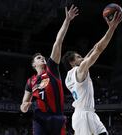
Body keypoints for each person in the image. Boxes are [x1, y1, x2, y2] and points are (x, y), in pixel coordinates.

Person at [20, 5, 79, 135]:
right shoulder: (30, 81)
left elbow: (58, 42)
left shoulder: (51, 68)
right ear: (34, 64)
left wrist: (67, 20)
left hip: (57, 117)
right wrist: (24, 107)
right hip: (40, 117)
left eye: (43, 58)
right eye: (39, 58)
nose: (43, 59)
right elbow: (24, 103)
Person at [62, 12, 122, 135]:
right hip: (83, 116)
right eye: (78, 57)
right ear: (72, 62)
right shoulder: (80, 70)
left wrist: (108, 31)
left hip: (87, 114)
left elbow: (95, 48)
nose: (82, 58)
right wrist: (112, 28)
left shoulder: (68, 77)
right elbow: (99, 49)